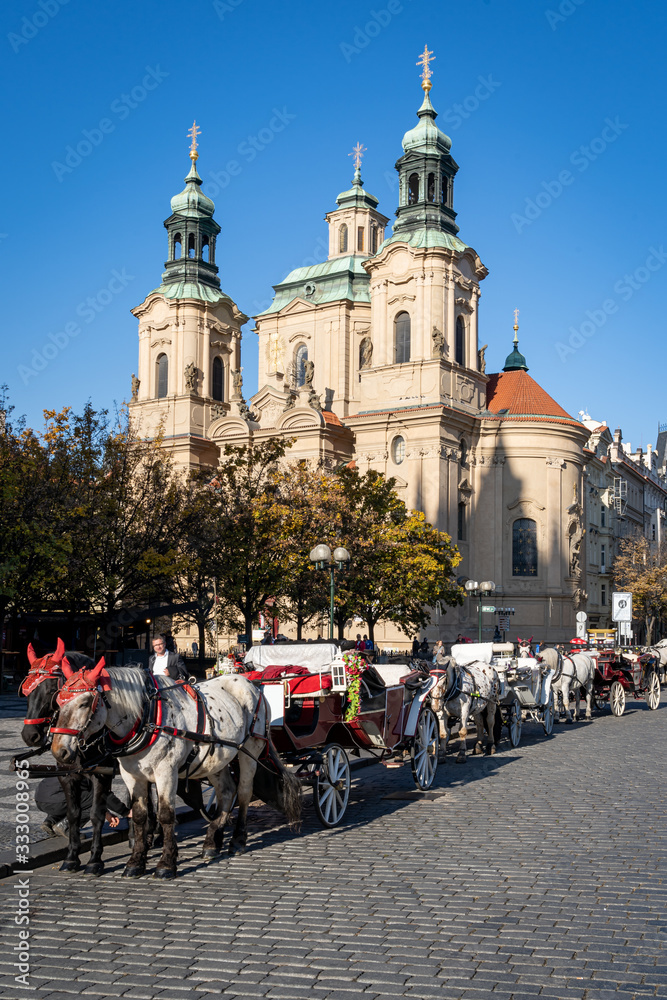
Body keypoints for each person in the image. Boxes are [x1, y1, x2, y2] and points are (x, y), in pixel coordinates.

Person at [36, 776, 129, 838]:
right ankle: (67, 825)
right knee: (92, 802)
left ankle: (50, 821)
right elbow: (101, 795)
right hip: (57, 802)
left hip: (40, 799)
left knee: (74, 797)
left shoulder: (70, 760)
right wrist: (125, 812)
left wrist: (106, 813)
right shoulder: (91, 771)